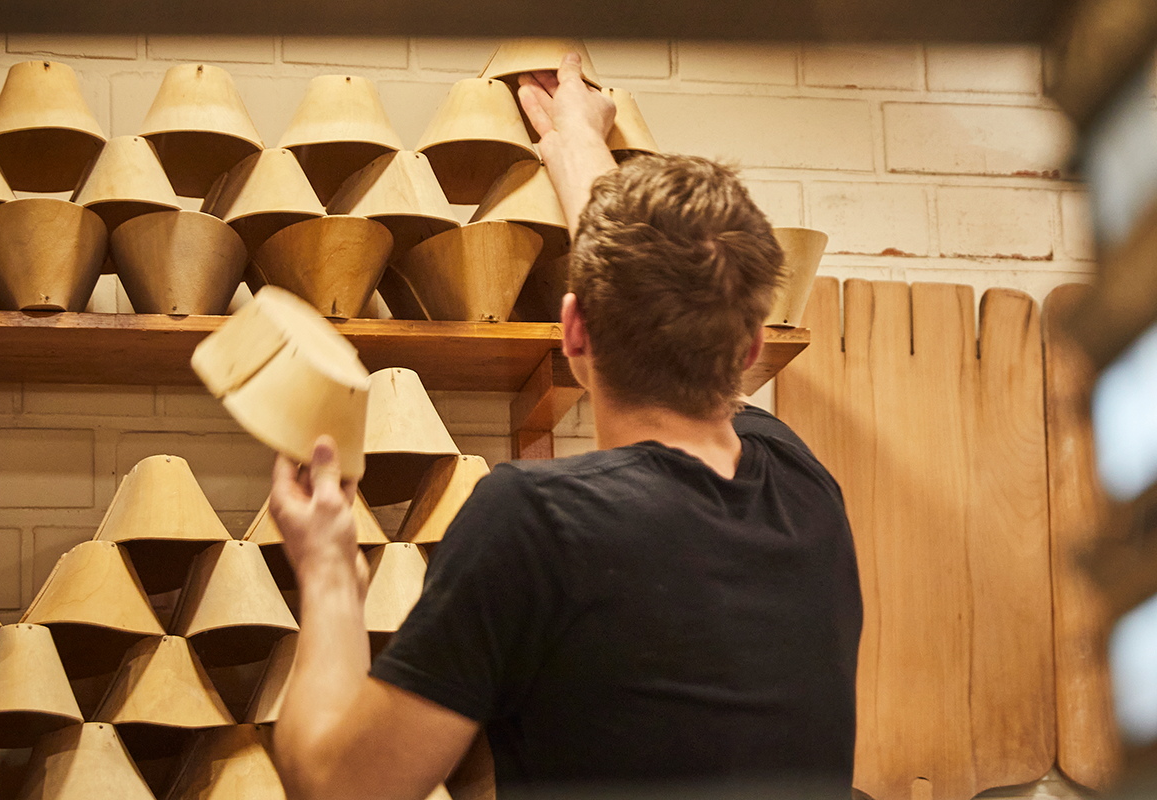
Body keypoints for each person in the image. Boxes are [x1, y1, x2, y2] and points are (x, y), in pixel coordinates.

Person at [268, 53, 862, 800]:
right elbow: (657, 299)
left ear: (572, 331)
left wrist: (328, 571)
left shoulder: (536, 522)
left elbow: (337, 787)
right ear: (750, 350)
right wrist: (576, 144)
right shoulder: (805, 486)